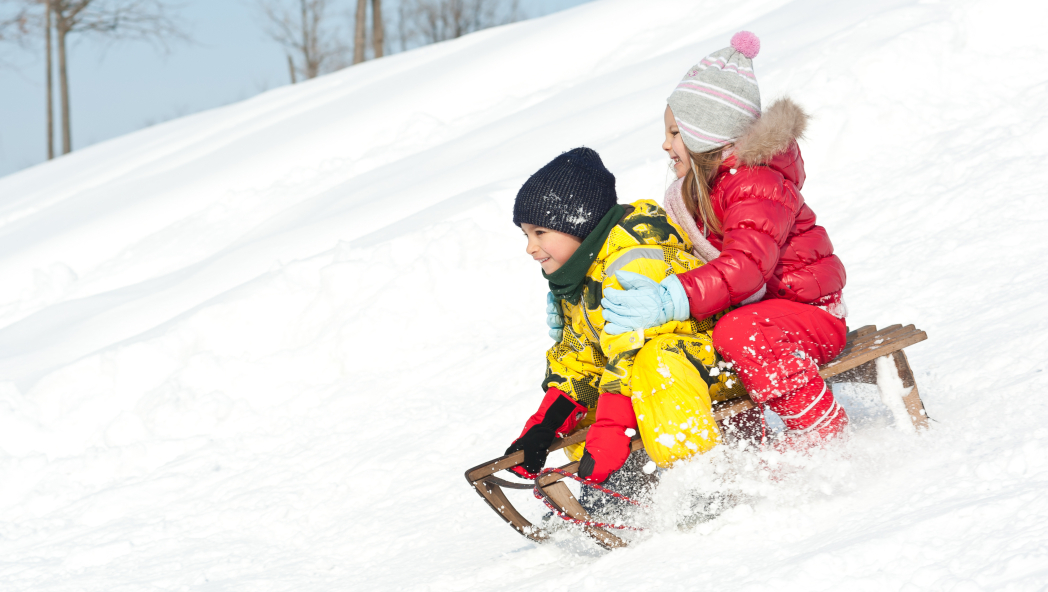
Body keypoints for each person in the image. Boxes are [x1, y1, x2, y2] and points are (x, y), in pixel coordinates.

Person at [602, 32, 850, 445]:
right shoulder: (706, 189)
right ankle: (746, 447)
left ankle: (820, 431)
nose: (665, 145)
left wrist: (671, 298)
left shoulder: (755, 184)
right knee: (703, 337)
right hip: (770, 313)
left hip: (810, 314)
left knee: (735, 332)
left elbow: (746, 267)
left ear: (706, 135)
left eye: (675, 133)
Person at [505, 147, 747, 485]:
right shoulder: (577, 277)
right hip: (661, 377)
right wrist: (543, 427)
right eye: (526, 235)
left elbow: (632, 353)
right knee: (586, 408)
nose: (530, 247)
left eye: (540, 233)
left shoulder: (632, 262)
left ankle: (698, 478)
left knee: (655, 362)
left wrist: (612, 429)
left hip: (716, 367)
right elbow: (580, 361)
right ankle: (620, 484)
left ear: (579, 222)